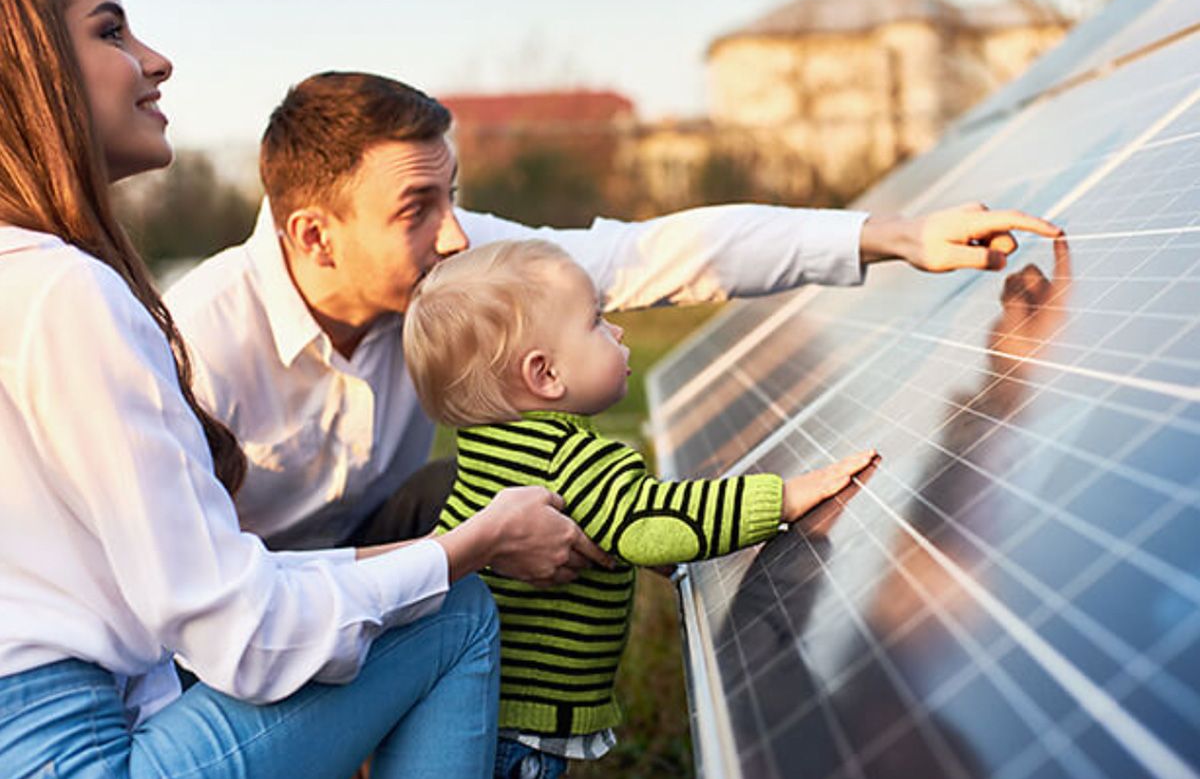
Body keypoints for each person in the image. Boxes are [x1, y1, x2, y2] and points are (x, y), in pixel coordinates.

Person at [0, 0, 607, 779]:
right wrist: (471, 548)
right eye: (111, 30)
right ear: (26, 69)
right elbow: (239, 635)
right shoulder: (68, 294)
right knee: (456, 614)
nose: (156, 60)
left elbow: (212, 586)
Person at [164, 71, 1064, 556]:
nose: (452, 240)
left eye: (453, 198)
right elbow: (183, 593)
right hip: (238, 615)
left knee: (516, 492)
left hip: (377, 552)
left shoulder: (454, 263)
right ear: (315, 237)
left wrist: (893, 234)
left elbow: (649, 254)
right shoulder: (196, 345)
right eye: (416, 212)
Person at [401, 238, 878, 779]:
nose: (619, 332)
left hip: (473, 715)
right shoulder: (570, 459)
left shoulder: (488, 450)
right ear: (545, 374)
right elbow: (650, 522)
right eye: (598, 322)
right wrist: (782, 499)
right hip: (516, 742)